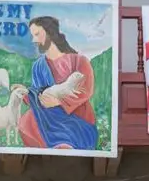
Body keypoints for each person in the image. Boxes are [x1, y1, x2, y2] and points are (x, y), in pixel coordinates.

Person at [18, 15, 99, 151]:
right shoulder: (38, 65)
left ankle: (67, 143)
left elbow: (86, 90)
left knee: (69, 134)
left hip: (75, 115)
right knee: (27, 121)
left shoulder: (79, 61)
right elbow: (38, 93)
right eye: (33, 35)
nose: (34, 40)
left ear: (50, 33)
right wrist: (25, 93)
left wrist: (59, 102)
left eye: (37, 34)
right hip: (47, 114)